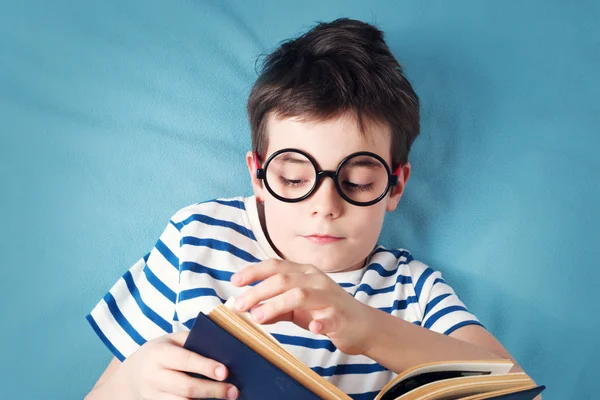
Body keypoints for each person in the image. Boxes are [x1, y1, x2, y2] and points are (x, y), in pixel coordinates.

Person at [85, 17, 533, 400]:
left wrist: (365, 327)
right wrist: (132, 381)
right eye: (294, 178)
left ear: (395, 185)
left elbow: (508, 383)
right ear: (259, 175)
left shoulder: (410, 290)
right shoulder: (197, 237)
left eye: (357, 182)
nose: (324, 206)